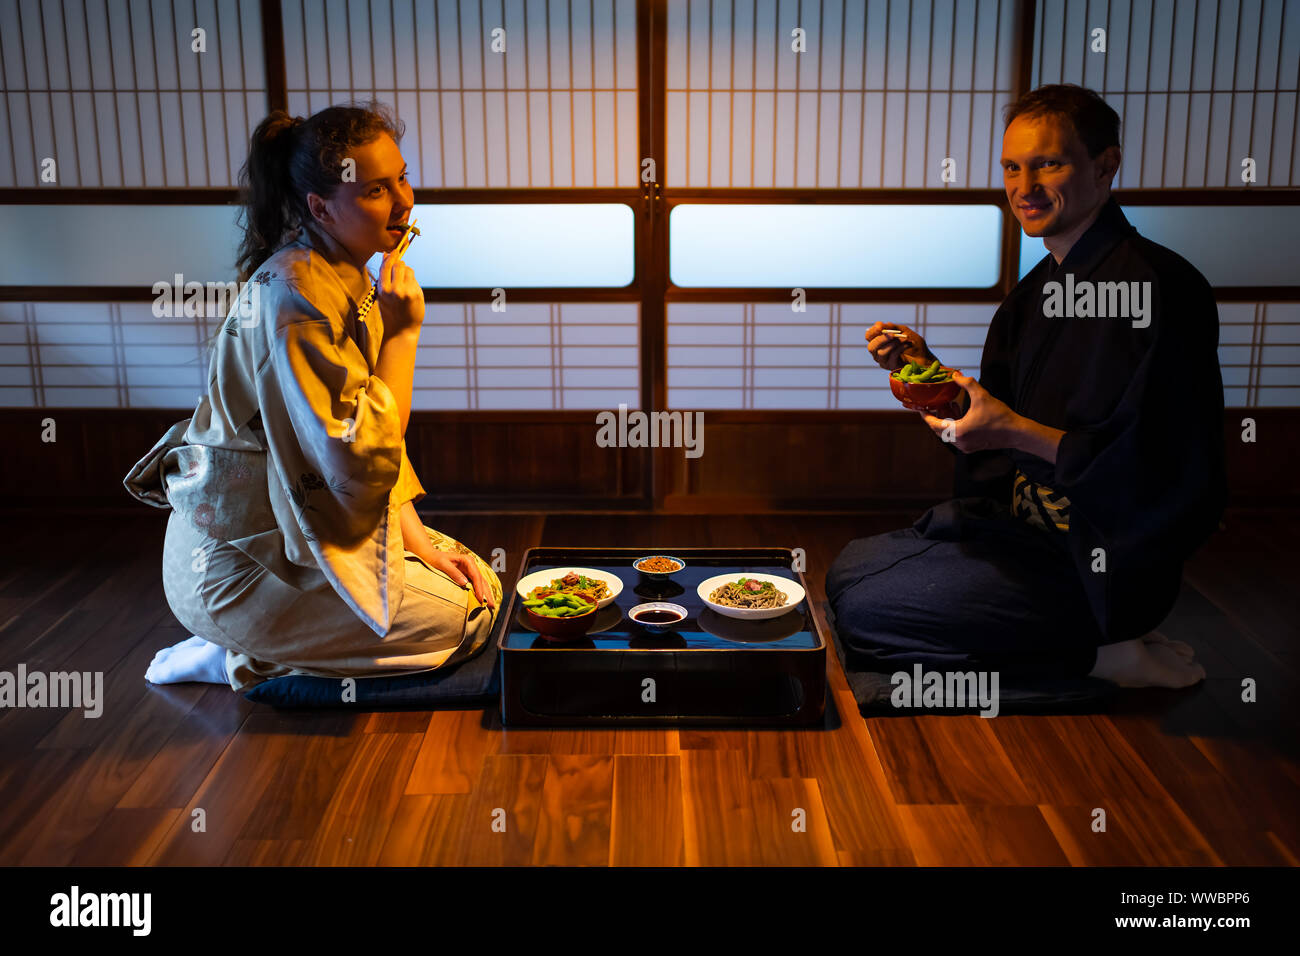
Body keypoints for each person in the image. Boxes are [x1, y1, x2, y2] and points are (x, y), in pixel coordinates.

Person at [826, 84, 1227, 689]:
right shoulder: (1040, 287)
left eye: (1049, 163)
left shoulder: (1160, 288)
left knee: (867, 613)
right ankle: (1100, 640)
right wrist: (927, 373)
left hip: (1100, 559)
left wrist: (1013, 431)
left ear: (1105, 165)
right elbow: (999, 415)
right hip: (1023, 532)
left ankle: (1105, 653)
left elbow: (1164, 466)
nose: (1024, 186)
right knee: (849, 571)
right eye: (1012, 166)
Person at [124, 103, 501, 692]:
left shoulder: (342, 274)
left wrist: (419, 542)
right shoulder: (297, 299)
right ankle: (235, 654)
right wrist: (404, 334)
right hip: (239, 565)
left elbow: (371, 446)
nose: (403, 201)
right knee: (464, 620)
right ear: (321, 207)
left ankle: (257, 640)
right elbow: (359, 453)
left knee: (480, 579)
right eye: (376, 189)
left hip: (294, 529)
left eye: (401, 177)